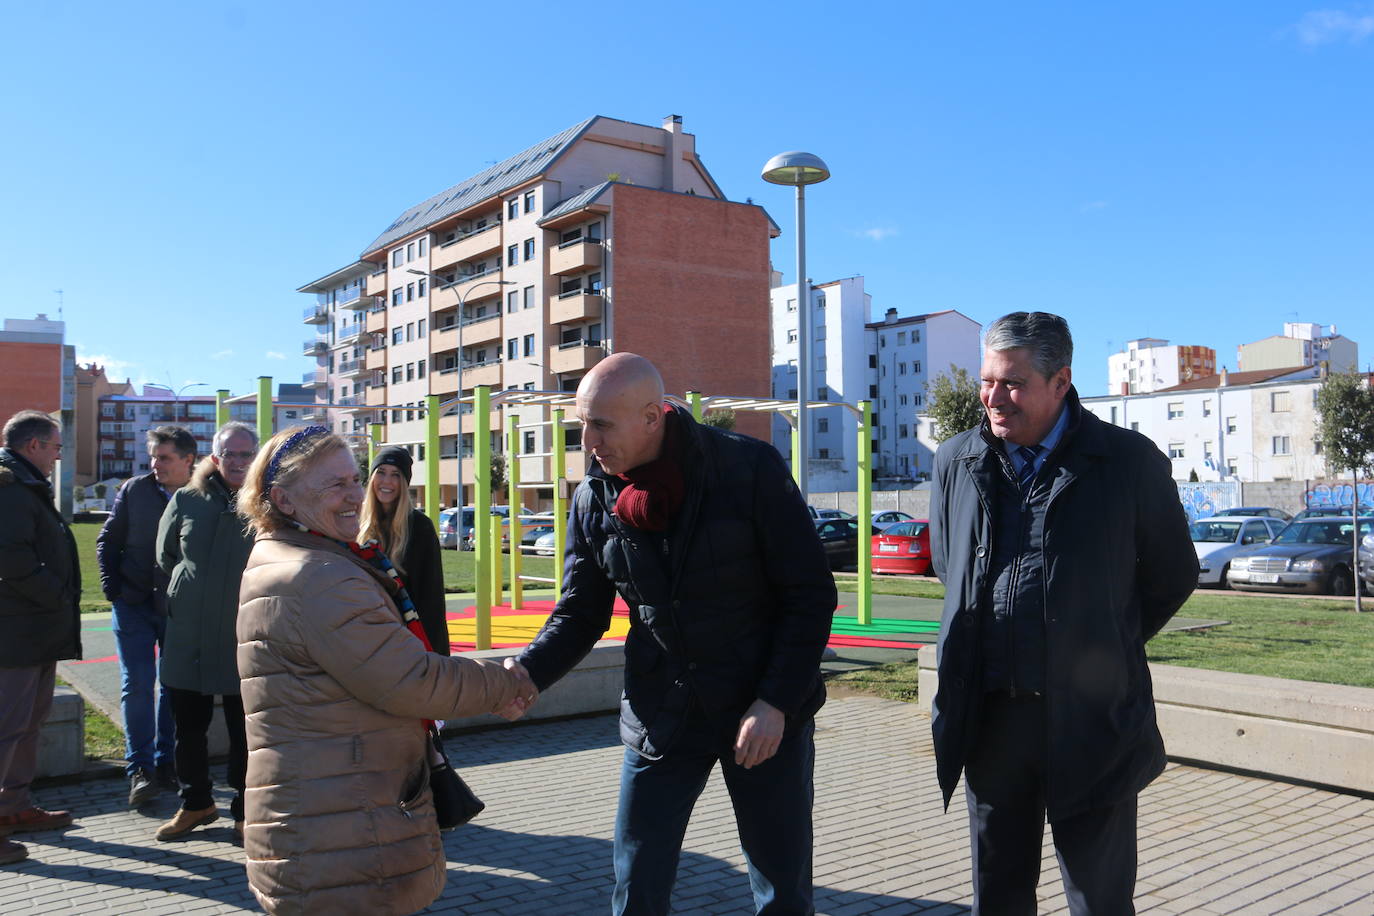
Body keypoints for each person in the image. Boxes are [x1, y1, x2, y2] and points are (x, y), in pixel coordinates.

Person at [508, 353, 836, 916]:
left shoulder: (747, 468)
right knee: (637, 884)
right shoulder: (593, 497)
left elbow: (808, 594)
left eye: (602, 425)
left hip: (760, 712)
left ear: (653, 417)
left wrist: (775, 701)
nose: (588, 440)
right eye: (581, 424)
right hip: (663, 712)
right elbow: (581, 612)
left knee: (782, 888)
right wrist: (525, 674)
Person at [928, 312, 1198, 915]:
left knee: (1097, 899)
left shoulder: (1126, 462)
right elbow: (952, 570)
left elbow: (1172, 575)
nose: (994, 399)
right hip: (992, 721)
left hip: (1091, 721)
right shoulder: (956, 461)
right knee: (998, 895)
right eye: (987, 380)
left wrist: (1098, 639)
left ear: (1061, 381)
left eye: (1014, 383)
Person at [235, 425, 531, 915]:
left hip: (327, 813)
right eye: (334, 485)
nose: (356, 495)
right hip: (342, 827)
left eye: (355, 479)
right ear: (283, 500)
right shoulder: (318, 577)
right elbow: (411, 680)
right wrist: (506, 684)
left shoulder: (295, 555)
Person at [153, 421, 258, 842]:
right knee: (187, 728)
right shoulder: (187, 498)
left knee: (245, 730)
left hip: (242, 634)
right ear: (214, 458)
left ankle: (245, 812)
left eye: (245, 453)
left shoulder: (268, 503)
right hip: (188, 634)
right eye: (228, 453)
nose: (236, 461)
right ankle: (195, 803)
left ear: (256, 459)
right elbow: (166, 555)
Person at [96, 425, 196, 807]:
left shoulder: (200, 495)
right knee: (137, 683)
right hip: (133, 603)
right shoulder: (135, 490)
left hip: (178, 607)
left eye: (165, 457)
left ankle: (166, 763)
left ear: (189, 460)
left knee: (173, 685)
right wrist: (113, 589)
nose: (156, 464)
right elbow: (109, 538)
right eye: (153, 456)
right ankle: (139, 769)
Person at [0, 411, 80, 865]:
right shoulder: (11, 487)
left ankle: (13, 808)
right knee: (7, 729)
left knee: (27, 723)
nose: (56, 456)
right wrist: (55, 595)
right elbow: (9, 557)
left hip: (34, 630)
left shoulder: (24, 483)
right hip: (17, 632)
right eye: (54, 447)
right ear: (33, 447)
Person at [358, 445, 449, 655]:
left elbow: (431, 599)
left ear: (404, 482)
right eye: (381, 472)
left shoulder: (420, 527)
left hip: (406, 644)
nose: (387, 481)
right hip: (366, 641)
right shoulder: (357, 525)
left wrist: (435, 656)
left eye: (395, 475)